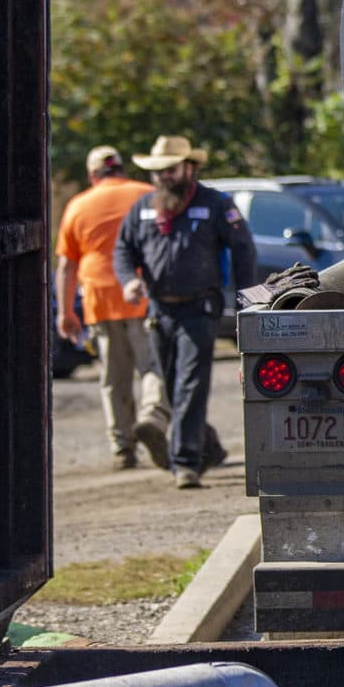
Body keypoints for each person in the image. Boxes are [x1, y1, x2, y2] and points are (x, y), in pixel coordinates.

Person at [114, 135, 258, 489]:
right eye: (158, 171)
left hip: (200, 309)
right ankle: (209, 445)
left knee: (191, 383)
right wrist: (127, 281)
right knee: (173, 383)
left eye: (170, 169)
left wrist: (246, 301)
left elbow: (243, 251)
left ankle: (185, 462)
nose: (164, 176)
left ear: (188, 168)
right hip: (160, 311)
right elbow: (123, 249)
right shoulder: (143, 208)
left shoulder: (215, 204)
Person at [55, 145, 168, 471]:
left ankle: (122, 448)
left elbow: (66, 266)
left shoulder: (78, 205)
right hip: (144, 295)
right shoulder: (147, 194)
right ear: (121, 168)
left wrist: (66, 312)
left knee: (113, 378)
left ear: (93, 175)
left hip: (99, 299)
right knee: (153, 367)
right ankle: (152, 415)